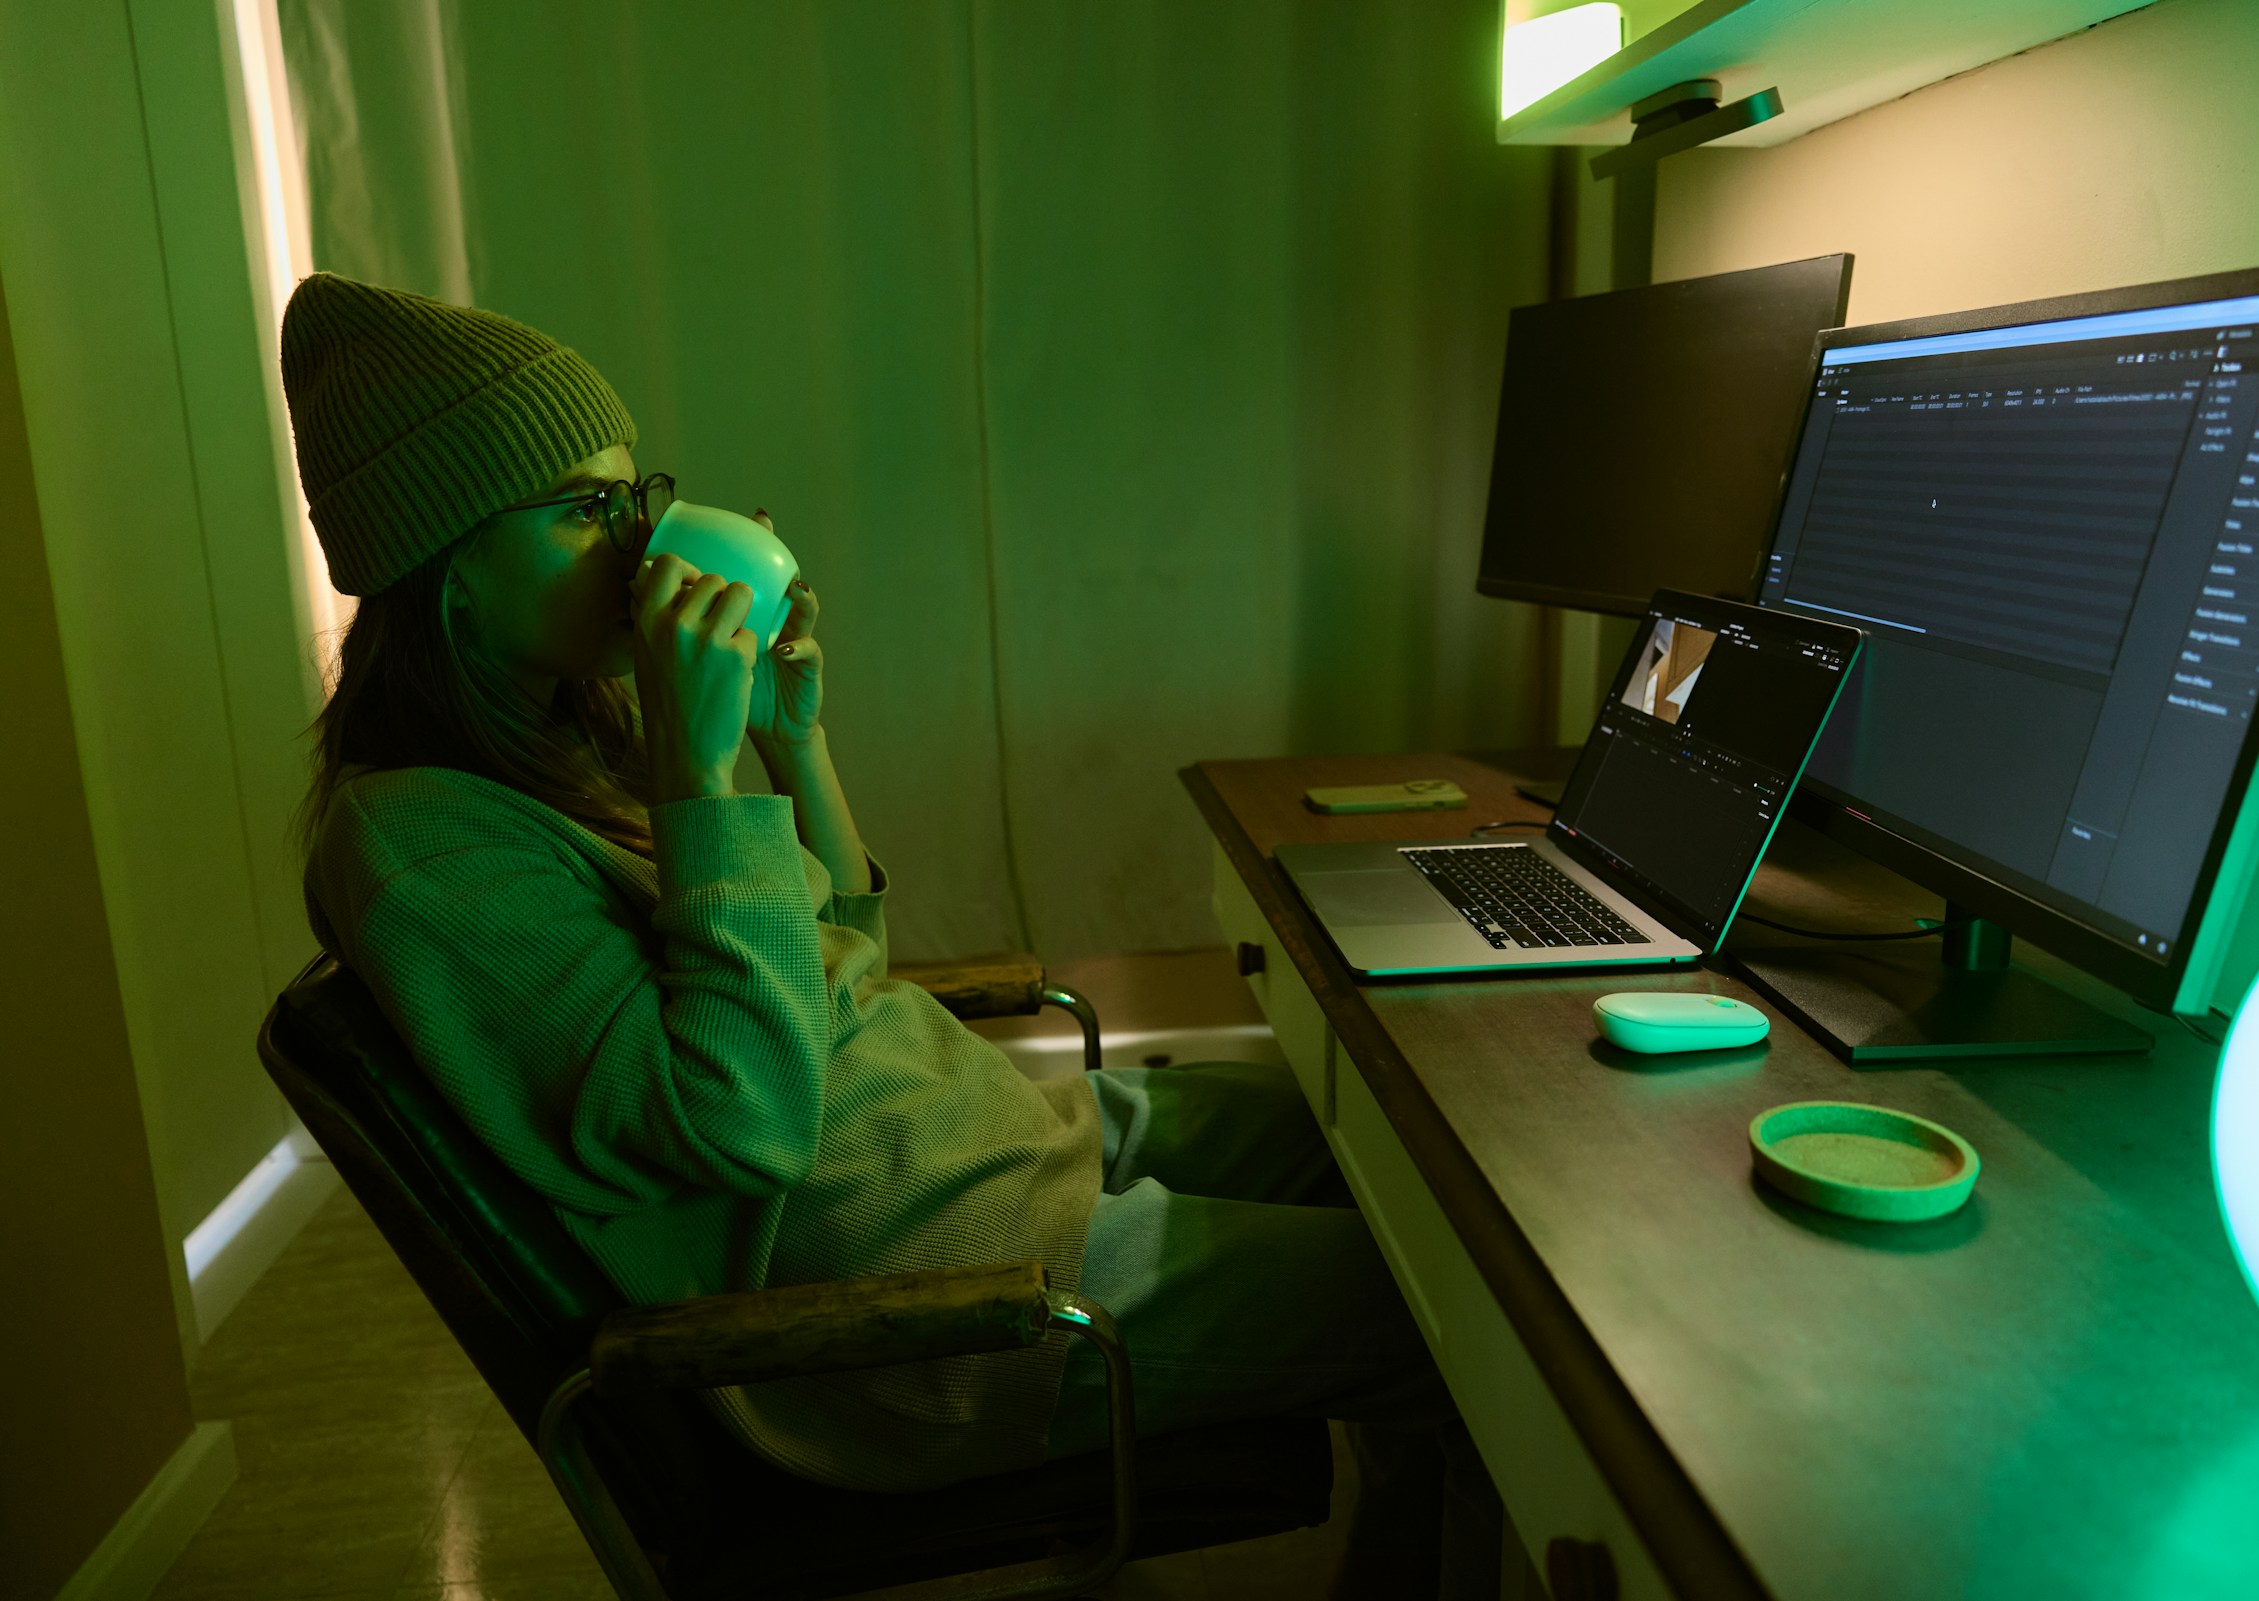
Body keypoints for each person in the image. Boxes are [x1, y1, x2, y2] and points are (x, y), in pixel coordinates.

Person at [283, 273, 1494, 1596]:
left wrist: (787, 743)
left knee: (1370, 1132)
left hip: (971, 1145)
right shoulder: (428, 855)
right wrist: (699, 783)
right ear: (441, 568)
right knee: (1474, 1313)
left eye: (638, 495)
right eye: (586, 508)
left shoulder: (560, 742)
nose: (641, 542)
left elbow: (836, 958)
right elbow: (741, 1116)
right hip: (937, 1292)